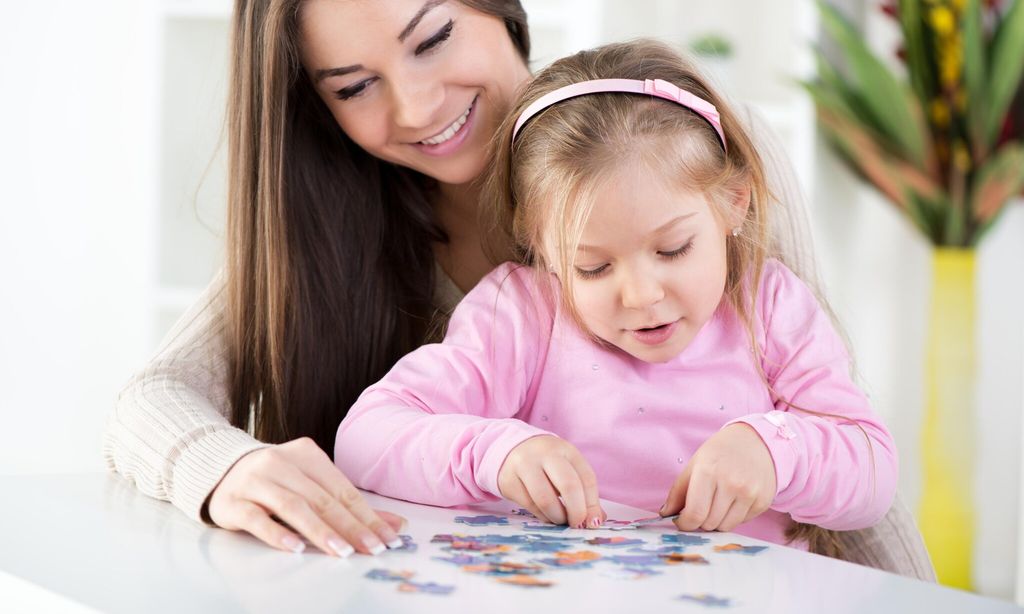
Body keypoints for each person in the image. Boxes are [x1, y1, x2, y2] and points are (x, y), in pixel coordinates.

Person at [334, 39, 899, 550]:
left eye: (674, 249)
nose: (641, 295)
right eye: (593, 266)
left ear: (734, 202)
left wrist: (776, 452)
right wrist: (495, 454)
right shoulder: (523, 313)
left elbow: (872, 476)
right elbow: (364, 440)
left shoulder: (770, 305)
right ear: (540, 243)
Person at [103, 0, 532, 558]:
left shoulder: (646, 137)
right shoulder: (331, 227)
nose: (417, 107)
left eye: (433, 40)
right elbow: (150, 399)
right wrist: (231, 466)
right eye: (354, 88)